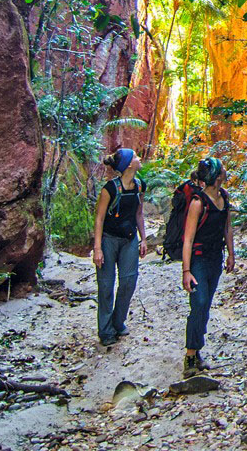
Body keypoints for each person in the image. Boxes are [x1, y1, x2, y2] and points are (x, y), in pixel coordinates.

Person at [182, 157, 235, 375]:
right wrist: (186, 271)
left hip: (215, 258)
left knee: (205, 305)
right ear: (216, 175)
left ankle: (196, 350)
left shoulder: (224, 197)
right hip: (199, 259)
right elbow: (188, 238)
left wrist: (231, 254)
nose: (225, 171)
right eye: (222, 169)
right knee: (199, 302)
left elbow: (227, 228)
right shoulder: (198, 203)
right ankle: (189, 356)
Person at [93, 147, 148, 346]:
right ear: (128, 165)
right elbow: (99, 218)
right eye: (135, 157)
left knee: (128, 281)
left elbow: (139, 213)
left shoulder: (140, 186)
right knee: (106, 285)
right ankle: (106, 331)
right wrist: (97, 248)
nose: (139, 158)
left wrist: (144, 238)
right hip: (108, 240)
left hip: (129, 240)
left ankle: (118, 322)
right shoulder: (110, 189)